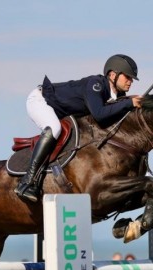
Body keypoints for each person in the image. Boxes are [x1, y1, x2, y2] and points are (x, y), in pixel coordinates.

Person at [14, 54, 143, 202]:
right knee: (54, 128)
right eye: (127, 77)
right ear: (113, 74)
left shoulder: (117, 94)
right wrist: (128, 103)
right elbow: (99, 114)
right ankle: (26, 182)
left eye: (132, 79)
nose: (130, 81)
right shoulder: (96, 85)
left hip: (61, 111)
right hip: (41, 100)